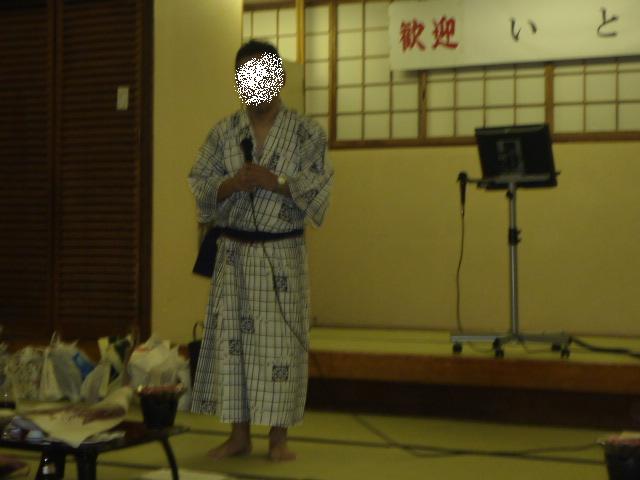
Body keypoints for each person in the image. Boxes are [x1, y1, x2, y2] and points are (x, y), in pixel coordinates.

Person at [188, 40, 333, 462]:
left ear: (279, 78)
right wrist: (231, 184)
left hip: (281, 253)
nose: (254, 85)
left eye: (262, 75)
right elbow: (199, 183)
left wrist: (278, 183)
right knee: (231, 345)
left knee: (281, 348)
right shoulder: (223, 133)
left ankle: (278, 438)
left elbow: (319, 187)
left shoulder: (307, 133)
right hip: (234, 253)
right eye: (246, 77)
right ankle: (238, 435)